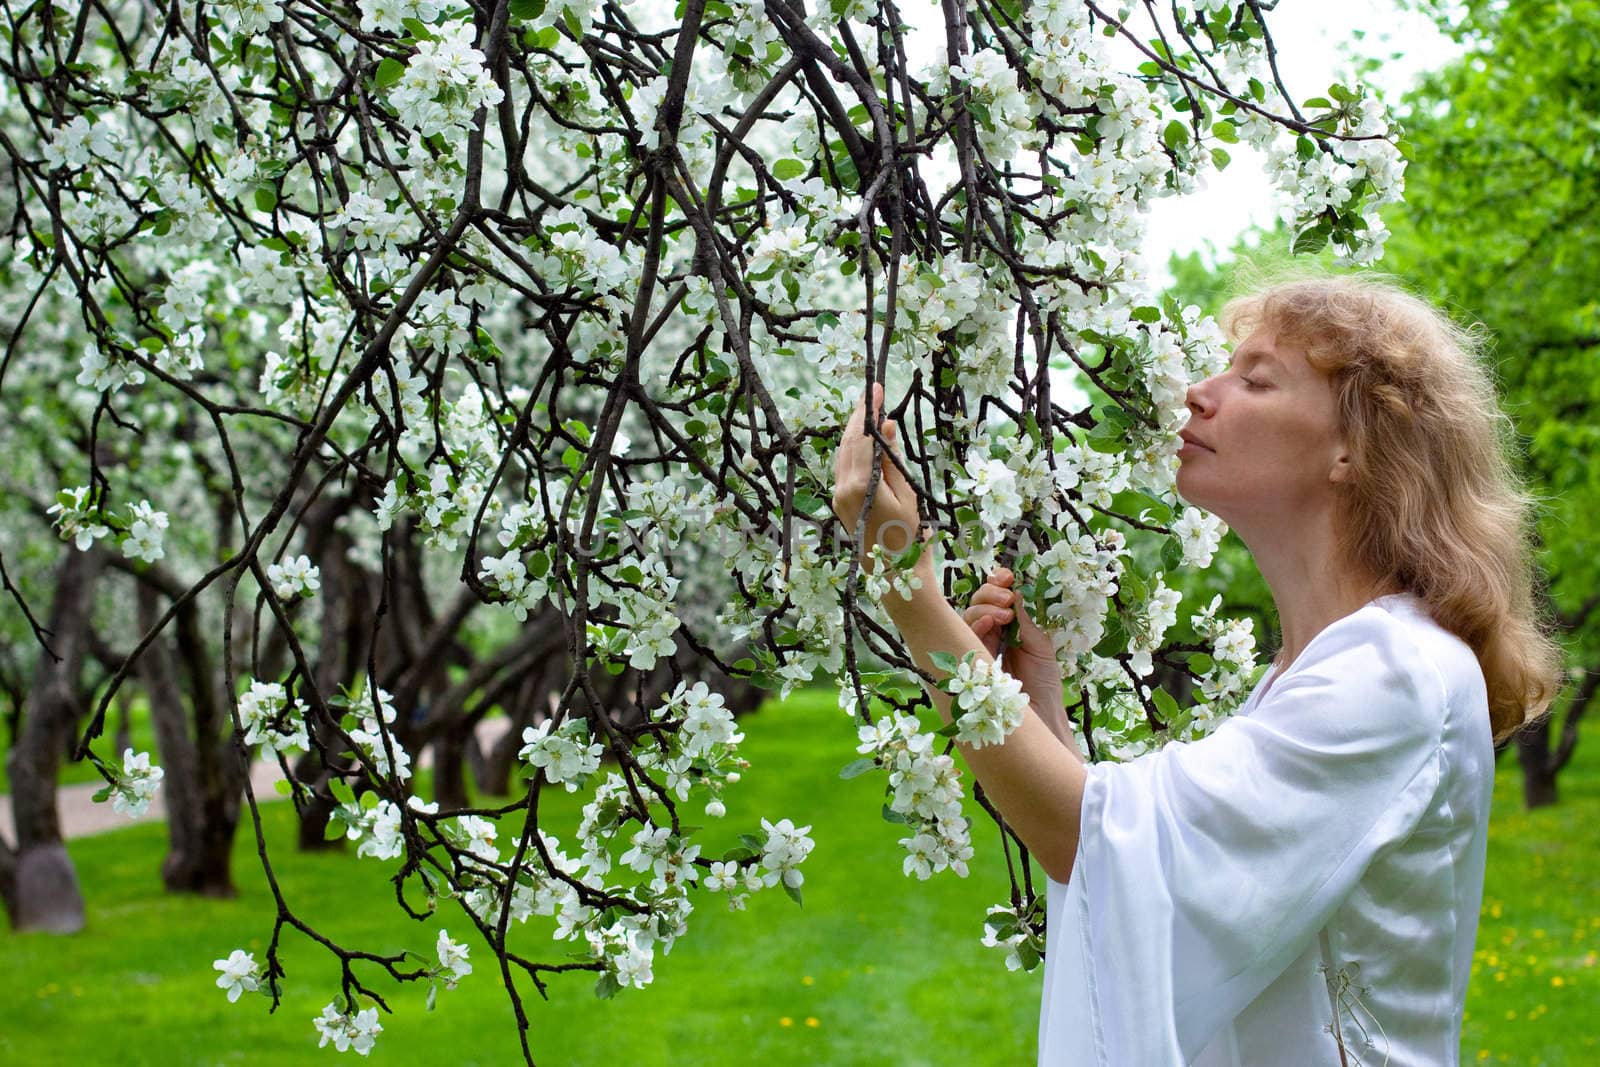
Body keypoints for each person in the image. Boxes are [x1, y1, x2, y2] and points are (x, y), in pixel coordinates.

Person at [828, 275, 1561, 1066]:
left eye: (1255, 379)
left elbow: (1105, 842)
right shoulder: (1317, 671)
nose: (1197, 394)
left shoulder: (1394, 671)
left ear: (1355, 445)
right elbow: (1132, 861)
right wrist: (1036, 707)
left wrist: (903, 580)